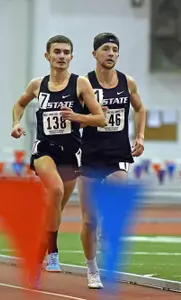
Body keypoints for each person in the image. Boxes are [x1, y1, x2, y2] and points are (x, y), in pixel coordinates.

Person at [11, 35, 105, 274]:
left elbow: (100, 118)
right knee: (55, 190)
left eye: (66, 53)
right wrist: (15, 123)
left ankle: (39, 248)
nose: (61, 56)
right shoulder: (37, 85)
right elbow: (19, 103)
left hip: (72, 153)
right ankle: (53, 254)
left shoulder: (80, 84)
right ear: (48, 56)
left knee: (55, 208)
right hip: (45, 149)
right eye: (57, 52)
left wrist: (77, 117)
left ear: (71, 57)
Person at [77, 32, 146, 289]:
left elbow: (140, 108)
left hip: (117, 152)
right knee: (88, 220)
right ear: (95, 53)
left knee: (117, 190)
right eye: (106, 49)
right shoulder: (83, 83)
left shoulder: (127, 82)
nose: (111, 54)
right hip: (90, 153)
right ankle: (91, 268)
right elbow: (71, 117)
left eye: (115, 49)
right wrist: (92, 116)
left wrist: (140, 136)